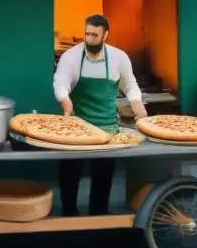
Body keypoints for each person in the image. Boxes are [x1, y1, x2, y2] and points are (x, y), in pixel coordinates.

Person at [53, 14, 147, 216]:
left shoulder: (118, 57)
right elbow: (61, 80)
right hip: (77, 128)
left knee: (103, 176)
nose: (89, 39)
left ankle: (99, 215)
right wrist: (64, 98)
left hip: (107, 128)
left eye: (95, 35)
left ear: (106, 35)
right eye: (87, 34)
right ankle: (69, 214)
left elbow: (129, 83)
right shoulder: (71, 56)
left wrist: (136, 102)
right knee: (70, 173)